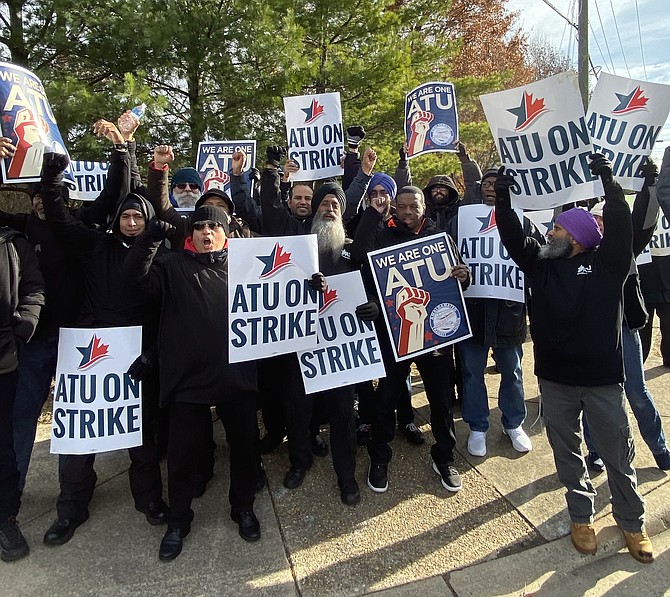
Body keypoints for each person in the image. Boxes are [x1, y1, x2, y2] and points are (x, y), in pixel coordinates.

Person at [494, 154, 653, 564]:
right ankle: (580, 517)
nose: (549, 231)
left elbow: (621, 227)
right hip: (556, 381)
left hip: (601, 381)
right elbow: (512, 233)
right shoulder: (540, 265)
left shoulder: (607, 263)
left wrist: (609, 181)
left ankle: (632, 523)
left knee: (618, 452)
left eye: (558, 227)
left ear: (579, 236)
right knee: (567, 452)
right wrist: (504, 195)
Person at [39, 153, 167, 547]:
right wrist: (51, 177)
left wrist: (152, 355)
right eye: (126, 217)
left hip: (136, 358)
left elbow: (169, 312)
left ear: (147, 222)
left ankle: (148, 498)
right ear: (117, 220)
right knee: (79, 437)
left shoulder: (160, 256)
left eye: (138, 218)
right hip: (90, 355)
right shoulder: (94, 245)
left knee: (142, 438)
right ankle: (71, 507)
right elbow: (59, 218)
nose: (131, 223)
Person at [123, 205, 264, 560]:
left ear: (225, 232)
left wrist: (311, 284)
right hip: (187, 379)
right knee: (183, 455)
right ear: (191, 234)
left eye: (212, 227)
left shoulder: (249, 267)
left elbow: (285, 292)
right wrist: (150, 241)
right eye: (199, 227)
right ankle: (178, 520)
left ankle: (243, 508)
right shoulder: (171, 266)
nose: (205, 233)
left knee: (245, 448)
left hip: (237, 376)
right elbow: (134, 280)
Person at [0, 119, 132, 494]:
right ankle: (11, 492)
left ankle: (74, 495)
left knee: (79, 417)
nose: (43, 199)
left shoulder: (82, 226)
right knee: (21, 416)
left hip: (78, 339)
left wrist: (121, 150)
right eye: (37, 195)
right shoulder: (22, 227)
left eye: (51, 193)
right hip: (34, 341)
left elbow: (113, 196)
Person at [352, 185, 470, 494]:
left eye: (412, 207)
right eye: (400, 206)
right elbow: (361, 260)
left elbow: (458, 280)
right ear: (395, 208)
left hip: (436, 337)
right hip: (396, 335)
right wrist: (378, 307)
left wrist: (464, 276)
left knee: (441, 402)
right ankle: (379, 458)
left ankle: (444, 458)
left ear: (423, 208)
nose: (406, 212)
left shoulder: (441, 238)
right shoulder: (382, 233)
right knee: (385, 400)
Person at [582, 163, 670, 472]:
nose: (601, 226)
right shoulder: (577, 252)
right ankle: (594, 451)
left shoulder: (626, 247)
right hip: (591, 334)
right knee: (594, 396)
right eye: (594, 221)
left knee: (636, 391)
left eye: (604, 220)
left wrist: (650, 184)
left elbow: (644, 219)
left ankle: (659, 448)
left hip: (625, 329)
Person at [447, 168, 537, 457]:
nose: (491, 188)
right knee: (472, 374)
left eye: (497, 184)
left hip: (508, 311)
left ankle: (513, 423)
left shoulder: (523, 222)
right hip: (471, 311)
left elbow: (538, 258)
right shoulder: (458, 221)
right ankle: (477, 426)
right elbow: (442, 254)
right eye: (486, 183)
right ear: (479, 188)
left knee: (512, 371)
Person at [0, 226, 44, 562]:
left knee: (5, 444)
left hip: (4, 361)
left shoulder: (13, 243)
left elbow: (32, 290)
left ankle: (5, 519)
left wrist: (26, 323)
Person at [639, 145, 670, 365]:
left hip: (667, 275)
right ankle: (637, 364)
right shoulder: (638, 201)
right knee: (643, 329)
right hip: (646, 275)